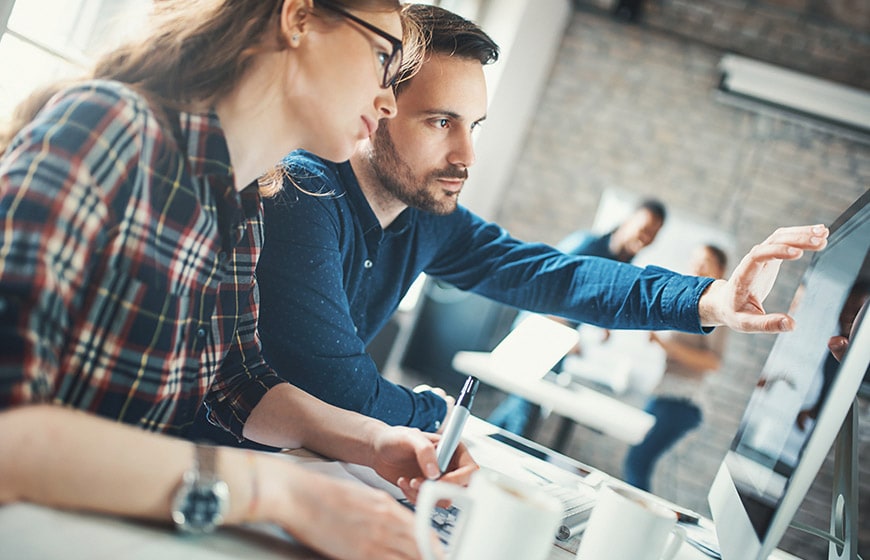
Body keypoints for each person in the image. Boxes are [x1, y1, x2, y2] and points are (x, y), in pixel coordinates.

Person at [215, 4, 828, 439]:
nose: (466, 156)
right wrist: (440, 416)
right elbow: (338, 393)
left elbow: (556, 277)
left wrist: (712, 299)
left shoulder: (430, 218)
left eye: (473, 126)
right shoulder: (301, 194)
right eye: (440, 122)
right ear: (377, 104)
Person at [0, 2, 475, 560]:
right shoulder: (109, 127)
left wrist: (375, 442)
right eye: (381, 56)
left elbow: (238, 381)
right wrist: (279, 493)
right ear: (297, 18)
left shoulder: (245, 196)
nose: (389, 99)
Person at [487, 198, 666, 435]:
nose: (646, 237)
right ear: (628, 221)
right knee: (523, 415)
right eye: (644, 228)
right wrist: (566, 332)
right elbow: (545, 281)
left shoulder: (622, 262)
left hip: (558, 342)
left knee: (520, 410)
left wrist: (600, 325)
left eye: (653, 234)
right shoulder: (588, 244)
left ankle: (467, 447)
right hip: (539, 331)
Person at [622, 244, 729, 492]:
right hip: (664, 394)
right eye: (695, 260)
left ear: (720, 269)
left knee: (637, 461)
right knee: (637, 460)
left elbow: (713, 362)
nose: (697, 266)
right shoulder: (692, 303)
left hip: (682, 402)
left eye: (706, 262)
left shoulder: (717, 307)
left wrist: (664, 344)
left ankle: (641, 525)